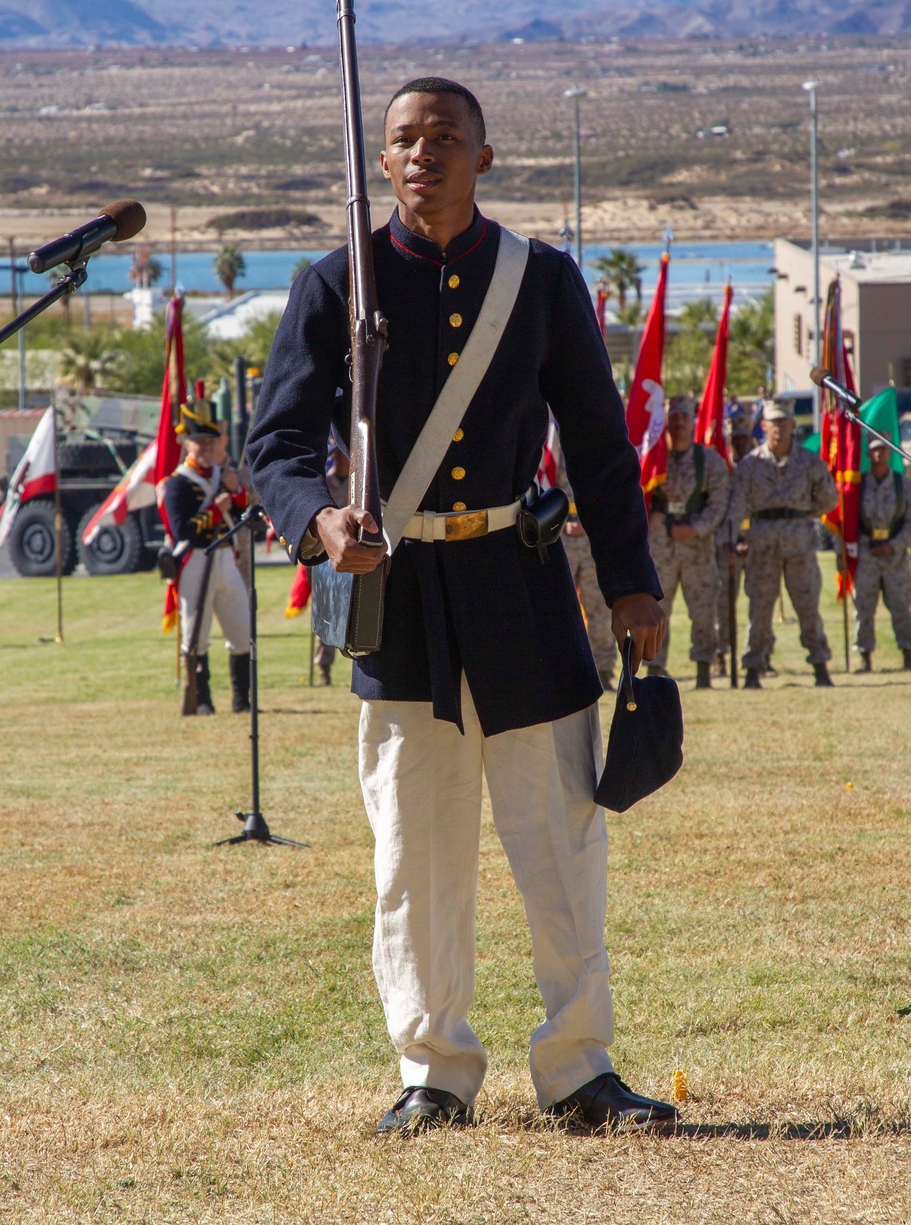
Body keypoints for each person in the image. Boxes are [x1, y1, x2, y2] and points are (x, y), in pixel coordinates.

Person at [247, 76, 676, 1135]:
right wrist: (316, 523)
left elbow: (599, 443)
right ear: (379, 163)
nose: (423, 153)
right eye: (402, 140)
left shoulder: (540, 281)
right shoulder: (333, 284)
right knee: (413, 858)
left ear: (485, 155)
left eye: (445, 137)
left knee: (562, 851)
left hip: (524, 594)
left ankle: (579, 1071)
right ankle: (433, 1072)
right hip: (399, 608)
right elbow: (276, 448)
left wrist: (629, 581)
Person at [728, 396, 838, 689]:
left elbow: (829, 497)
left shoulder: (810, 461)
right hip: (762, 543)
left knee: (808, 607)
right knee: (760, 609)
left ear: (792, 425)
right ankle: (753, 668)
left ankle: (820, 665)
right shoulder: (751, 465)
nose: (778, 428)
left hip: (800, 543)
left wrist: (804, 514)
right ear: (764, 426)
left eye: (784, 423)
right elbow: (737, 506)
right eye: (773, 423)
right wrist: (732, 538)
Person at [165, 388, 251, 716]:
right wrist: (216, 510)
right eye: (200, 441)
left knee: (241, 631)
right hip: (196, 560)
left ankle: (242, 700)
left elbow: (243, 512)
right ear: (187, 444)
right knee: (196, 635)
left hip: (227, 555)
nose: (206, 447)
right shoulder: (177, 483)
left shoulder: (222, 476)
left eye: (210, 441)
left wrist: (235, 491)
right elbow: (180, 531)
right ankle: (201, 700)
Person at [646, 395, 729, 689]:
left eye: (684, 418)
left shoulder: (708, 460)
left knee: (704, 609)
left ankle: (704, 669)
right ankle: (654, 669)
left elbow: (719, 502)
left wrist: (696, 528)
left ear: (694, 421)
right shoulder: (653, 459)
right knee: (655, 610)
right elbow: (639, 495)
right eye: (674, 418)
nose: (679, 423)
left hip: (697, 547)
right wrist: (652, 519)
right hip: (661, 546)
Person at [559, 455, 617, 691]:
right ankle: (562, 671)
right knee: (560, 608)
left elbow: (612, 494)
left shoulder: (593, 445)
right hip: (559, 539)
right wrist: (562, 523)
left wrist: (590, 521)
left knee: (599, 607)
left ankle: (603, 670)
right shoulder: (548, 444)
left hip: (594, 540)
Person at [853, 438, 911, 673]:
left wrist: (895, 546)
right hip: (867, 553)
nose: (878, 455)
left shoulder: (903, 485)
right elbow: (849, 523)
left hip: (895, 557)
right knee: (864, 607)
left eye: (882, 450)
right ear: (867, 454)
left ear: (889, 452)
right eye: (874, 450)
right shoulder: (858, 486)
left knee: (901, 606)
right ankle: (864, 657)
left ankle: (908, 652)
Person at [714, 410, 756, 677]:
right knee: (722, 603)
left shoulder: (757, 468)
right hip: (725, 545)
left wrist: (748, 540)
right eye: (735, 439)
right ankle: (721, 654)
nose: (739, 443)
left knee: (760, 601)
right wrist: (730, 542)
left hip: (756, 545)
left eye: (744, 438)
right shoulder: (721, 469)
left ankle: (757, 653)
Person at [313, 447, 350, 686]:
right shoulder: (323, 484)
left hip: (360, 555)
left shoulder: (362, 482)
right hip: (328, 559)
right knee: (328, 613)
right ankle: (324, 667)